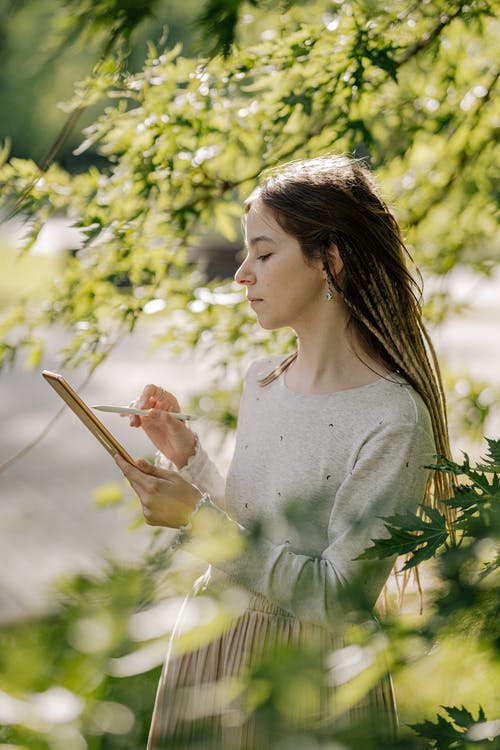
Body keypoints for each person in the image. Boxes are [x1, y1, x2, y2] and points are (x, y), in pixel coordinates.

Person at [115, 154, 451, 749]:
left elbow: (335, 596)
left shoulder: (394, 419)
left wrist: (195, 520)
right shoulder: (264, 379)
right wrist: (190, 460)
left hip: (307, 681)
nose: (242, 274)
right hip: (212, 640)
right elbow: (258, 531)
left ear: (331, 260)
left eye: (264, 254)